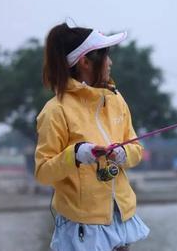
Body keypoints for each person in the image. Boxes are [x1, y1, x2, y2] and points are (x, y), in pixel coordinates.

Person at [35, 22, 149, 251]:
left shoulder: (116, 100)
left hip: (120, 220)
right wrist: (75, 155)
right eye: (106, 56)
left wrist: (123, 153)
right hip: (82, 229)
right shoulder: (55, 110)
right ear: (85, 62)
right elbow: (43, 173)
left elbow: (137, 150)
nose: (111, 63)